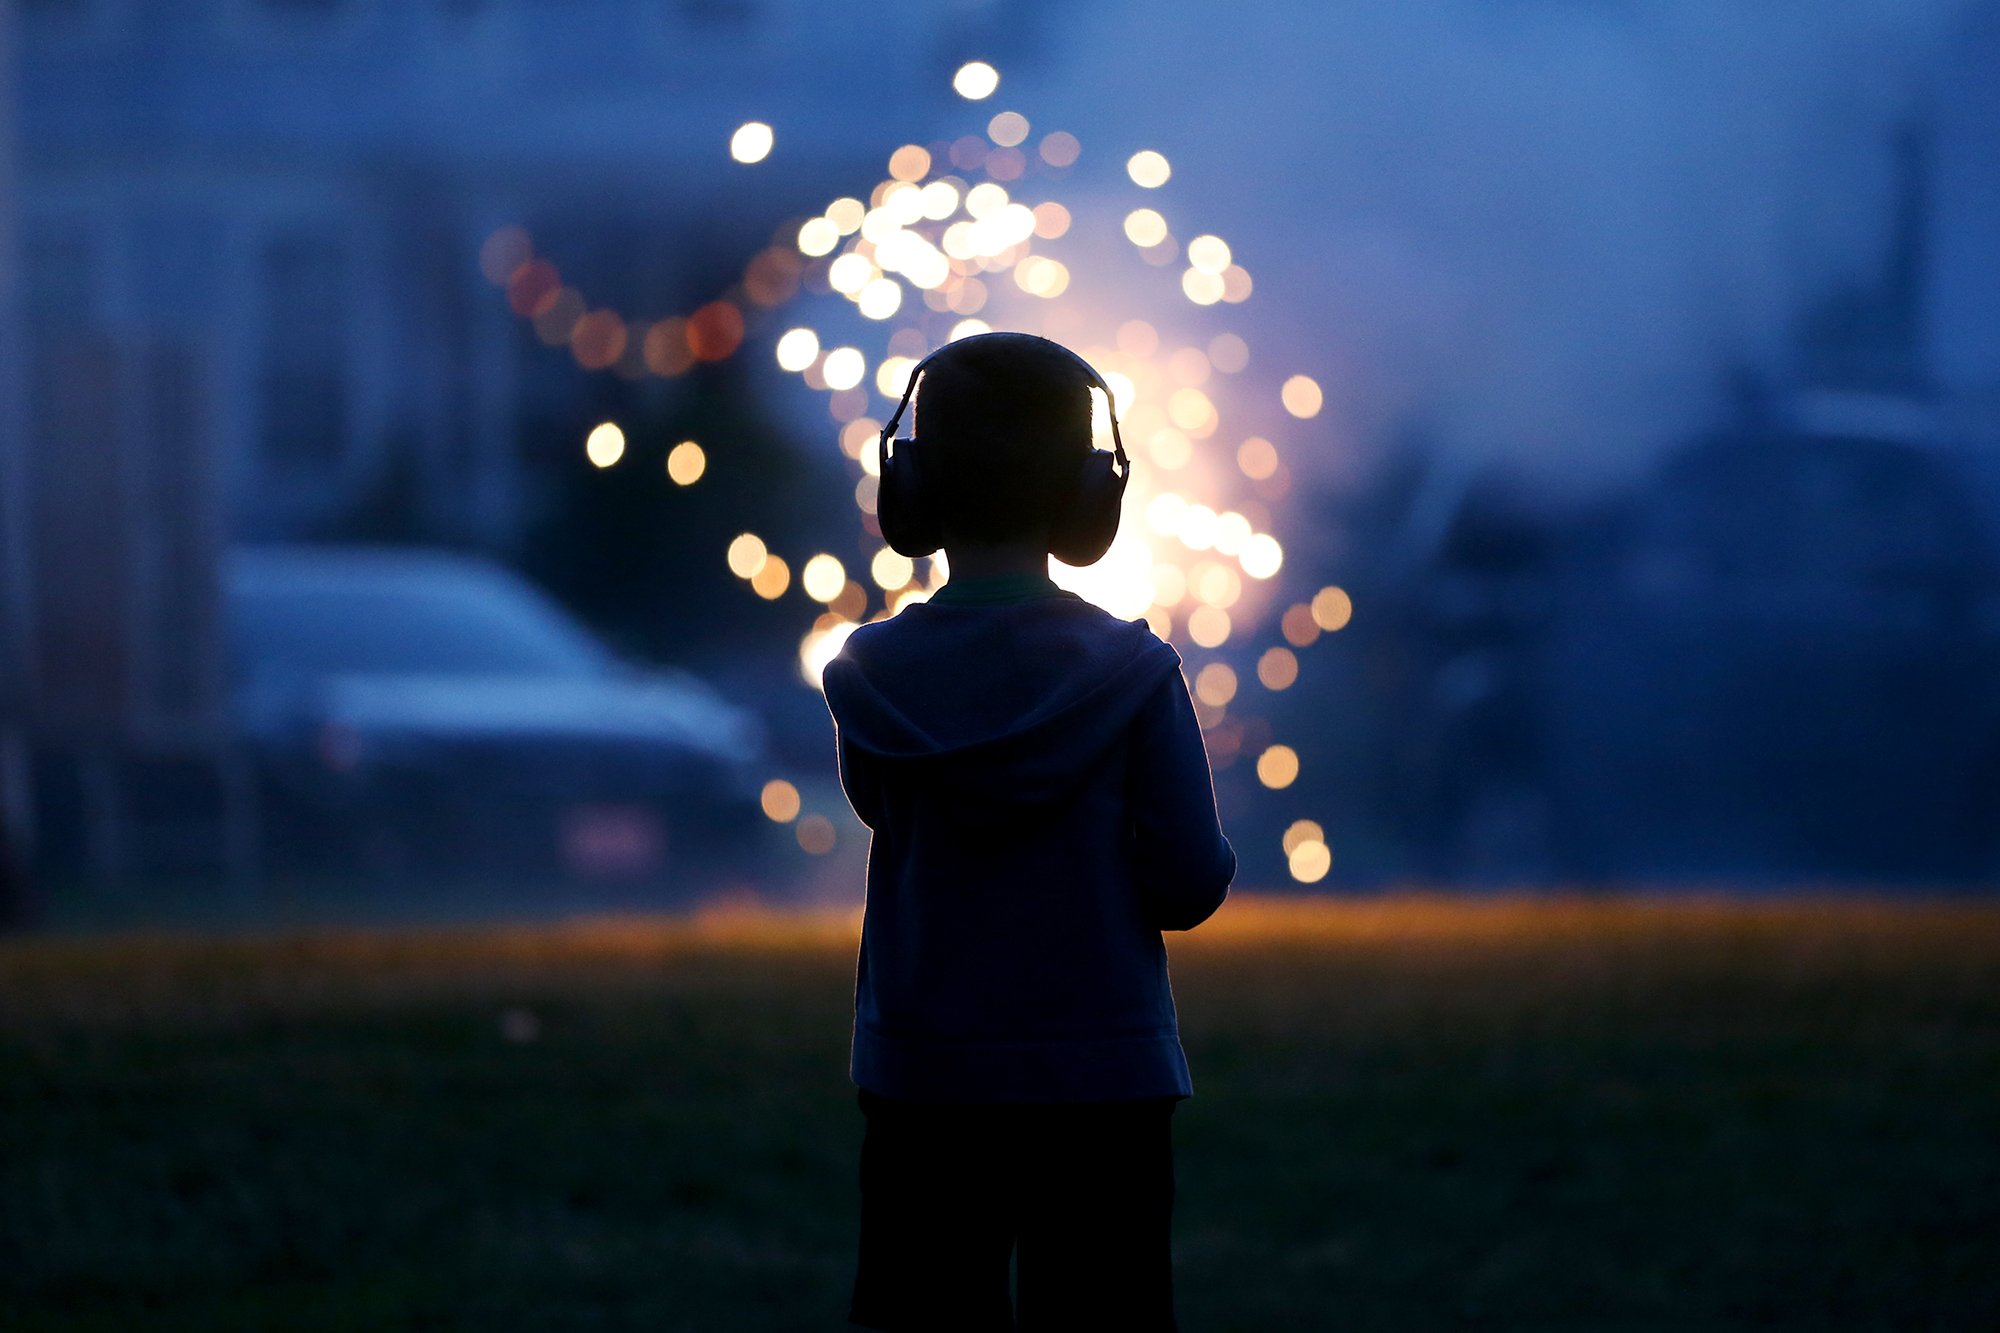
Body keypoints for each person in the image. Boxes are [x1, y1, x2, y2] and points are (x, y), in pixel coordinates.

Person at [821, 331, 1236, 1331]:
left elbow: (883, 806)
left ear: (908, 482)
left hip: (924, 1076)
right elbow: (1185, 881)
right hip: (1104, 1079)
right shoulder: (1134, 673)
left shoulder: (868, 674)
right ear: (1092, 492)